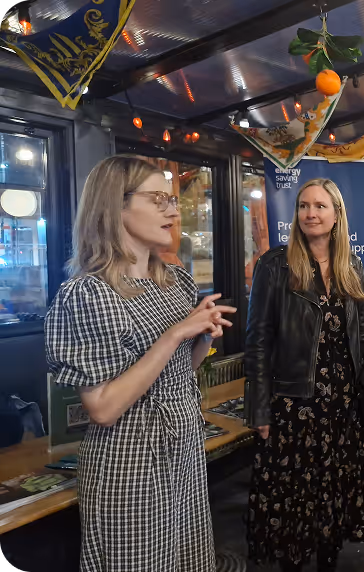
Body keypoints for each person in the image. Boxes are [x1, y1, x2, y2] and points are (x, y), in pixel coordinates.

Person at [44, 155, 236, 572]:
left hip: (184, 453)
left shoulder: (174, 280)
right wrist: (174, 334)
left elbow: (180, 371)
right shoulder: (87, 293)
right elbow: (104, 407)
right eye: (158, 199)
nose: (173, 209)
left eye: (172, 199)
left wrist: (201, 335)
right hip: (130, 467)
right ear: (116, 206)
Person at [245, 178, 364, 572]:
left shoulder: (350, 263)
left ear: (337, 214)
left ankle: (327, 562)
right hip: (293, 403)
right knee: (292, 499)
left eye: (320, 206)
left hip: (342, 403)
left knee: (334, 496)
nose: (310, 213)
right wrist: (259, 409)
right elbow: (258, 341)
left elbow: (362, 332)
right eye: (304, 206)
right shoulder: (274, 265)